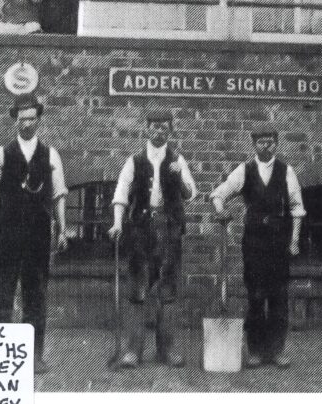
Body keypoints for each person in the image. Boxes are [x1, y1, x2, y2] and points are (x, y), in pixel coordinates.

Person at [0, 93, 67, 374]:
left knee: (35, 298)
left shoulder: (50, 155)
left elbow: (58, 196)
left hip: (38, 239)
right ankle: (0, 356)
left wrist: (62, 230)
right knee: (2, 297)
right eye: (22, 119)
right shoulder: (1, 155)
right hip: (6, 238)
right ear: (14, 120)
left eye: (32, 118)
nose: (27, 124)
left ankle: (34, 356)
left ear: (38, 119)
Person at [211, 124, 305, 369]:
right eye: (261, 141)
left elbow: (297, 208)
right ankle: (254, 350)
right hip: (253, 243)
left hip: (279, 243)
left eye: (271, 141)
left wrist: (294, 240)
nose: (266, 145)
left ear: (276, 143)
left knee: (278, 297)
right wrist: (220, 209)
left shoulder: (286, 171)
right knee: (255, 296)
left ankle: (276, 351)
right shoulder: (245, 170)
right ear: (254, 144)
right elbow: (218, 193)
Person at [108, 109, 196, 368]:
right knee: (137, 290)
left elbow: (190, 194)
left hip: (169, 231)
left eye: (164, 127)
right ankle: (133, 351)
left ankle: (166, 349)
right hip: (140, 231)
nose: (159, 131)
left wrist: (180, 174)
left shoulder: (178, 160)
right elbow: (121, 194)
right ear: (146, 129)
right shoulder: (133, 161)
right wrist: (116, 223)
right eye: (155, 126)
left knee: (168, 292)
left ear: (170, 130)